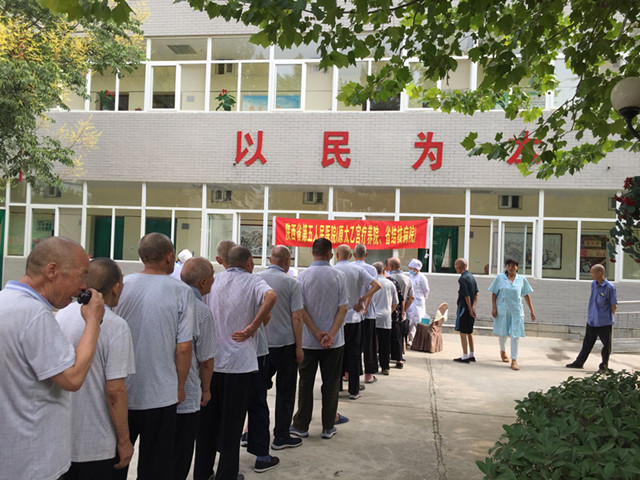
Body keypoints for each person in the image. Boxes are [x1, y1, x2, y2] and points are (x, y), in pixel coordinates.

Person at [0, 237, 105, 480]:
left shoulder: (5, 302)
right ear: (52, 271)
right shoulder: (34, 315)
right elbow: (72, 378)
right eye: (81, 276)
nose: (83, 286)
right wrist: (93, 321)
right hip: (35, 462)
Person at [113, 233, 196, 480]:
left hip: (121, 390)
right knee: (156, 467)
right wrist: (180, 387)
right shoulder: (182, 291)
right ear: (170, 257)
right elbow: (183, 348)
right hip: (161, 395)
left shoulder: (121, 286)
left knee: (116, 462)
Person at [194, 246, 277, 480]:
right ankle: (226, 474)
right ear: (248, 261)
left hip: (211, 362)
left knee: (207, 424)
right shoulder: (253, 281)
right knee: (232, 424)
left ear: (226, 262)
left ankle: (202, 472)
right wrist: (252, 327)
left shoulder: (214, 282)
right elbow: (271, 297)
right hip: (239, 365)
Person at [57, 258, 135, 480]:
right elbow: (115, 391)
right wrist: (124, 441)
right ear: (116, 287)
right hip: (97, 444)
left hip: (63, 440)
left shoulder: (63, 314)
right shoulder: (116, 326)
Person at [291, 238, 347, 440]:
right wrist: (330, 334)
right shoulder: (338, 276)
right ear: (330, 254)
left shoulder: (302, 277)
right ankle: (328, 426)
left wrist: (315, 332)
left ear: (312, 252)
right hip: (334, 342)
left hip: (308, 341)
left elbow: (300, 309)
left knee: (305, 382)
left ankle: (301, 425)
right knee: (331, 384)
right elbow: (343, 309)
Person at [258, 246, 305, 450]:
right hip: (285, 345)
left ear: (270, 259)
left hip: (261, 345)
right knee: (285, 392)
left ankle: (252, 433)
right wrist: (299, 347)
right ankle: (281, 436)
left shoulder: (256, 279)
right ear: (287, 261)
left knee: (258, 392)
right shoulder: (292, 283)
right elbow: (297, 317)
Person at [174, 257, 216, 480]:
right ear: (203, 282)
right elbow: (206, 359)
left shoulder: (169, 300)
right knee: (180, 455)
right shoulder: (200, 310)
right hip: (187, 392)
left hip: (158, 393)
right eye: (212, 276)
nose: (214, 280)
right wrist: (206, 389)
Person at [333, 244, 381, 399]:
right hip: (354, 317)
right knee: (354, 354)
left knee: (338, 354)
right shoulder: (358, 270)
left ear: (337, 255)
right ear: (350, 255)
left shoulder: (333, 270)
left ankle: (337, 386)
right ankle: (354, 390)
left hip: (337, 319)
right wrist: (362, 299)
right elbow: (377, 285)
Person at [566, 264, 618, 372]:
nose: (590, 274)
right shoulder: (594, 284)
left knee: (606, 345)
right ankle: (579, 363)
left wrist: (609, 317)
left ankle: (604, 366)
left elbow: (614, 305)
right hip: (592, 320)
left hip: (604, 322)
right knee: (587, 344)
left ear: (599, 273)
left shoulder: (609, 287)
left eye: (592, 272)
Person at [488, 259, 536, 371]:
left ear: (517, 267)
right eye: (509, 266)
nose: (511, 268)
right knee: (502, 332)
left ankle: (514, 359)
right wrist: (494, 307)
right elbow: (494, 293)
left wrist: (531, 310)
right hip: (503, 309)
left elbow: (526, 295)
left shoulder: (521, 279)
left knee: (515, 334)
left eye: (513, 266)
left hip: (516, 311)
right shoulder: (500, 278)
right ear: (506, 267)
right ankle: (502, 351)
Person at [353, 244, 380, 383]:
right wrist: (365, 307)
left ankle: (349, 373)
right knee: (369, 345)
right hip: (367, 314)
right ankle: (368, 375)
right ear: (366, 254)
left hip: (352, 313)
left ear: (353, 255)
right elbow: (372, 290)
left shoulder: (350, 267)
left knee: (353, 344)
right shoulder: (371, 269)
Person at [371, 262, 399, 375]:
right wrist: (389, 311)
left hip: (372, 316)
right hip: (385, 317)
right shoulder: (390, 284)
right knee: (385, 344)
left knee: (372, 344)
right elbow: (396, 302)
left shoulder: (371, 283)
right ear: (384, 270)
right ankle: (385, 367)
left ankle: (372, 367)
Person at [387, 257, 414, 360]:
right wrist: (404, 310)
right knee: (400, 336)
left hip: (389, 310)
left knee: (388, 335)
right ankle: (399, 358)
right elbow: (411, 297)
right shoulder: (407, 279)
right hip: (401, 312)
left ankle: (387, 355)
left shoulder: (388, 278)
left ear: (391, 266)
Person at [453, 258, 479, 363]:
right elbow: (477, 293)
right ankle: (471, 354)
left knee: (462, 332)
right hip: (471, 308)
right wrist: (473, 307)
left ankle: (464, 355)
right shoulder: (471, 276)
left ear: (458, 267)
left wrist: (469, 309)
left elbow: (466, 296)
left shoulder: (462, 279)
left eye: (456, 266)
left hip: (464, 308)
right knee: (469, 332)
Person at [384, 259, 405, 369]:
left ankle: (385, 360)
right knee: (396, 337)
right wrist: (402, 312)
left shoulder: (384, 281)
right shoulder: (401, 279)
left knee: (384, 338)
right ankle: (398, 359)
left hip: (385, 314)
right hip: (394, 313)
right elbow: (401, 300)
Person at [405, 258, 429, 344]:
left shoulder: (422, 277)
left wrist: (422, 298)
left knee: (417, 320)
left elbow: (426, 290)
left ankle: (418, 340)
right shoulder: (411, 277)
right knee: (410, 320)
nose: (410, 270)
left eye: (411, 268)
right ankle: (410, 339)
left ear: (416, 269)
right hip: (411, 300)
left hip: (419, 301)